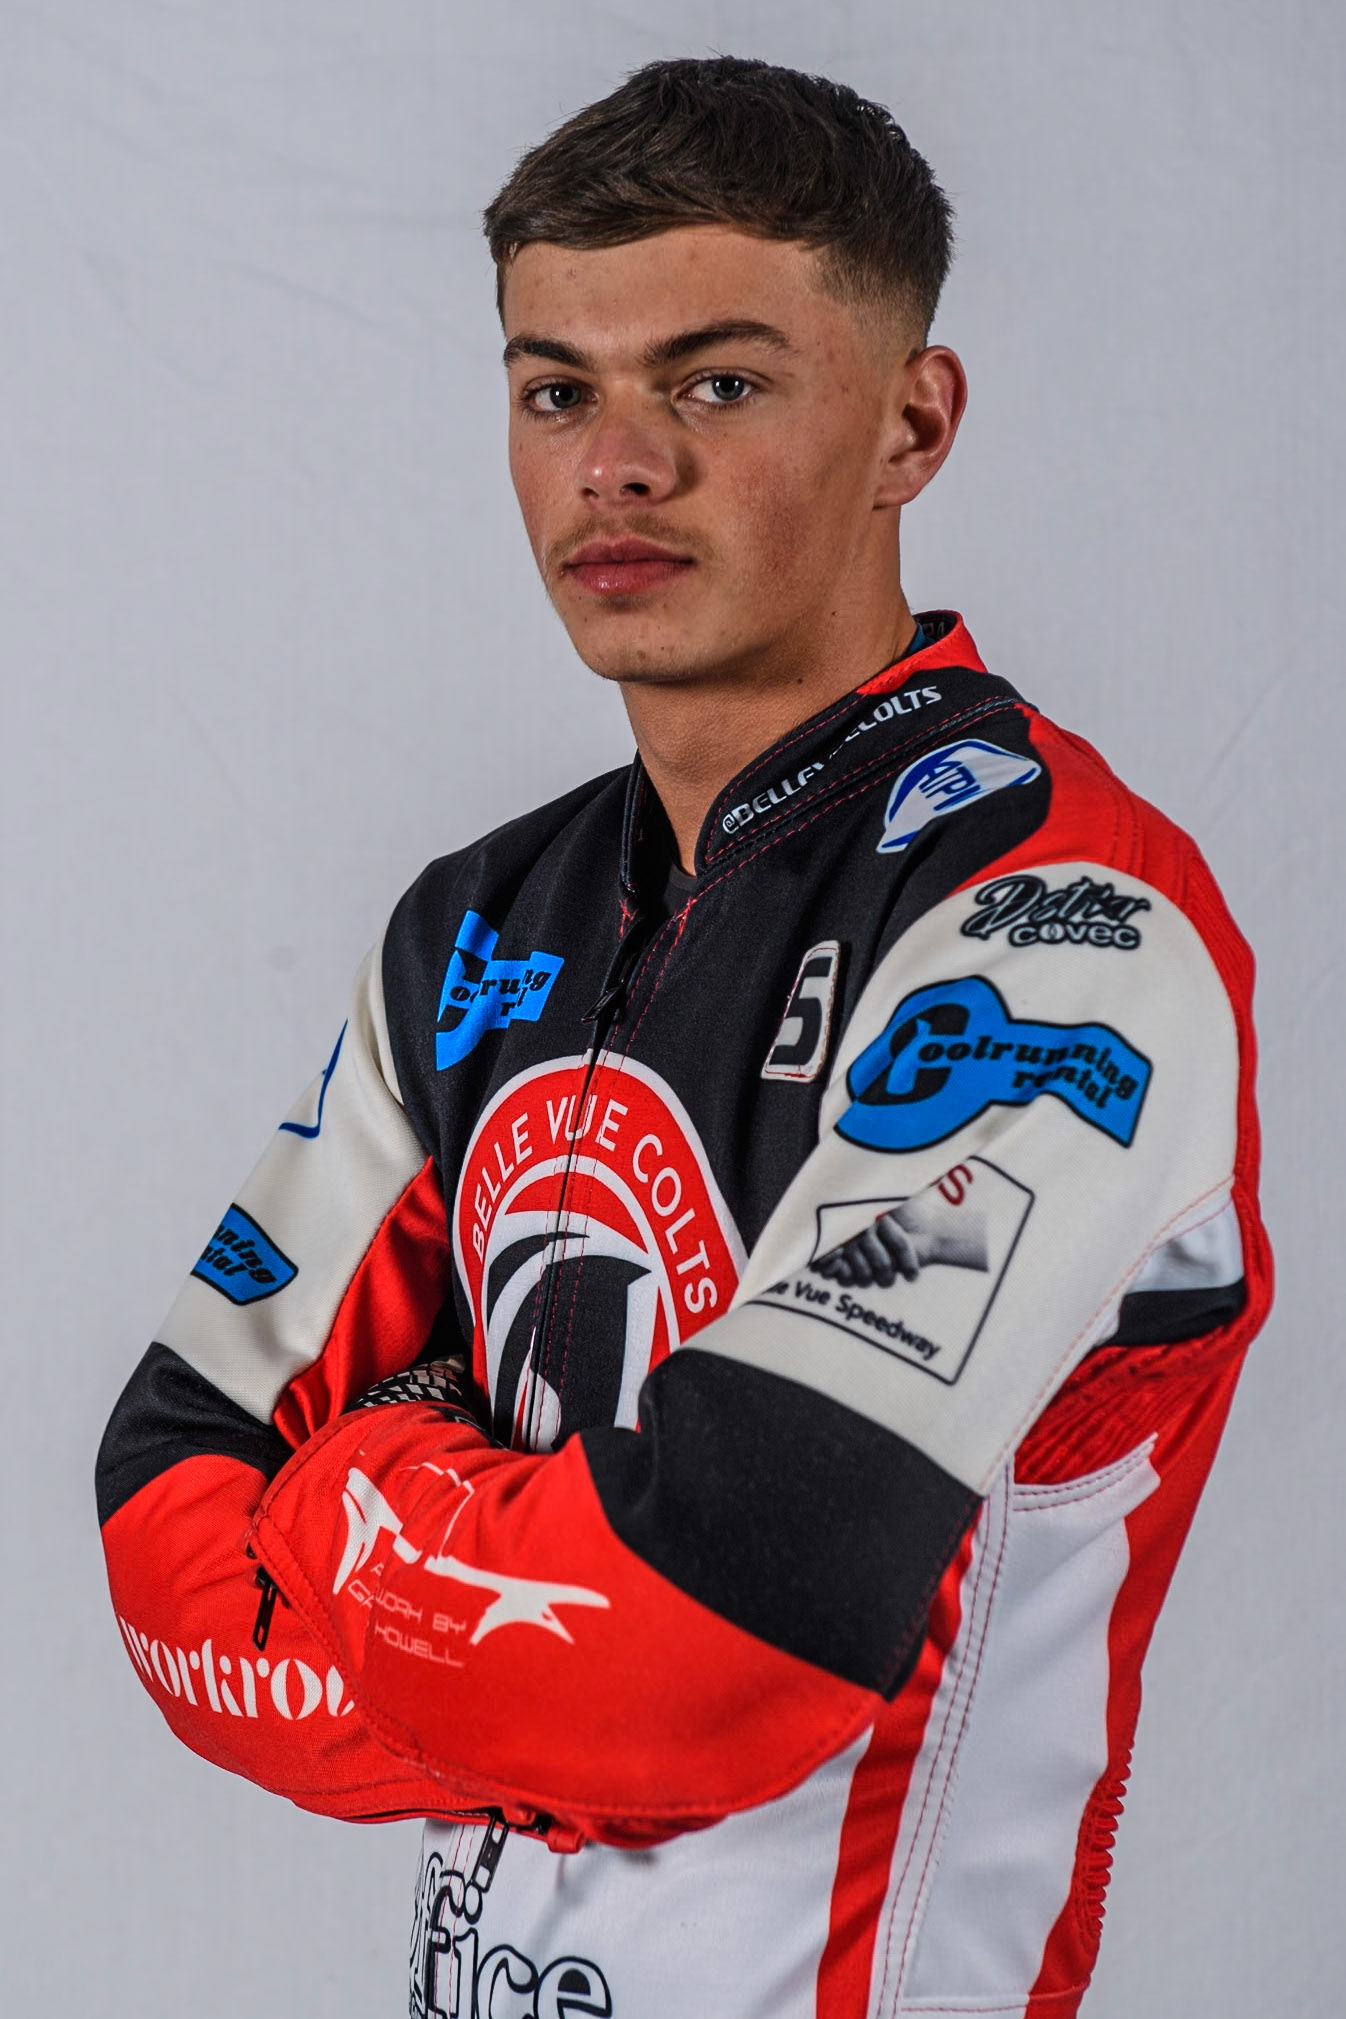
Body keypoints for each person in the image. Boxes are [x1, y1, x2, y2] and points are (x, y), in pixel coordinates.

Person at [96, 56, 1270, 2019]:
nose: (615, 463)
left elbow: (703, 1647)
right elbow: (160, 1504)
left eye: (715, 382)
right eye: (558, 386)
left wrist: (363, 1495)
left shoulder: (1064, 931)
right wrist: (522, 1636)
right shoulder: (470, 924)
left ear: (912, 421)